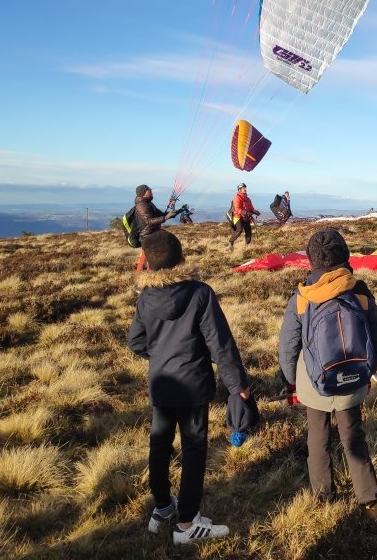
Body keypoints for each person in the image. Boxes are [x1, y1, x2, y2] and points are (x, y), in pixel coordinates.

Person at [127, 230, 251, 545]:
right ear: (182, 258)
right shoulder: (200, 294)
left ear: (149, 265)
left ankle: (163, 508)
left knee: (160, 445)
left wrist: (159, 359)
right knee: (194, 450)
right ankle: (186, 524)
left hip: (161, 384)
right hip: (194, 386)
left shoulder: (145, 297)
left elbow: (136, 342)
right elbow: (220, 345)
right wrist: (238, 385)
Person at [278, 229, 377, 521]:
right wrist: (368, 372)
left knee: (317, 437)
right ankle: (369, 499)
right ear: (345, 256)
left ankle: (324, 496)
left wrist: (292, 381)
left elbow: (288, 344)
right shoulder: (360, 291)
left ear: (311, 260)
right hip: (354, 377)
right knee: (353, 436)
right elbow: (376, 337)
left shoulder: (301, 296)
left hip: (313, 381)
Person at [135, 185, 182, 272]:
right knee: (147, 259)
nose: (151, 190)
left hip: (153, 233)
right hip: (147, 236)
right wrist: (165, 218)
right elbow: (149, 221)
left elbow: (161, 215)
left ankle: (155, 275)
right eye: (148, 189)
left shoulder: (149, 203)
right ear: (143, 193)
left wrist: (178, 211)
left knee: (156, 257)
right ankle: (141, 279)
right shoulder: (142, 205)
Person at [229, 183, 259, 249]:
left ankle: (247, 246)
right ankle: (231, 242)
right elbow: (237, 209)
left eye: (245, 188)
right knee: (239, 230)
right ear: (240, 189)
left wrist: (255, 212)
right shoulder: (237, 198)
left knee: (248, 231)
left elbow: (251, 208)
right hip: (238, 217)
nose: (245, 189)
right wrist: (246, 212)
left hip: (246, 217)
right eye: (243, 188)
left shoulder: (248, 199)